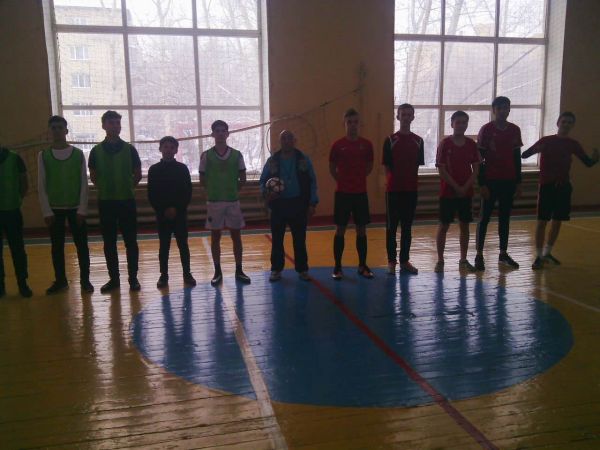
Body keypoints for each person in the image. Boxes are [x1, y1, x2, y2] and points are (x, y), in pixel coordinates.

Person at [522, 111, 599, 270]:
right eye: (564, 121)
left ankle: (547, 252)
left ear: (573, 125)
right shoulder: (546, 140)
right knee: (542, 221)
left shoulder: (573, 144)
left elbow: (588, 163)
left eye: (570, 122)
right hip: (547, 186)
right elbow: (524, 155)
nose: (566, 125)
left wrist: (595, 158)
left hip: (563, 187)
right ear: (558, 123)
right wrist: (536, 150)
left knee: (557, 221)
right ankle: (538, 256)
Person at [89, 110, 142, 293]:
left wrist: (126, 187)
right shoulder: (96, 151)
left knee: (131, 242)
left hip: (126, 201)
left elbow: (137, 174)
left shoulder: (130, 149)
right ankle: (114, 280)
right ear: (103, 126)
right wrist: (106, 188)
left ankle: (133, 279)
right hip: (106, 203)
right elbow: (93, 176)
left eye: (118, 123)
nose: (115, 126)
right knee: (109, 243)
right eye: (111, 123)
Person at [38, 115, 93, 294]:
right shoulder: (43, 155)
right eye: (53, 128)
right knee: (56, 248)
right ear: (49, 131)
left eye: (59, 128)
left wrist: (82, 209)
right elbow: (41, 184)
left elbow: (84, 183)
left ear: (66, 131)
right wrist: (46, 211)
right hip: (54, 210)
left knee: (82, 246)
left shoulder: (78, 154)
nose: (56, 131)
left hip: (76, 209)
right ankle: (61, 281)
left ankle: (85, 280)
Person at [259, 130, 319, 282]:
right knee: (277, 239)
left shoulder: (303, 159)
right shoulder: (272, 161)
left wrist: (312, 202)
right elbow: (262, 181)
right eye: (283, 138)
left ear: (294, 140)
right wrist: (267, 193)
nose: (286, 141)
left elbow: (312, 181)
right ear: (280, 141)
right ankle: (276, 269)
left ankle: (302, 269)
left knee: (299, 239)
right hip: (278, 205)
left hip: (298, 204)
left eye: (289, 138)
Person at [199, 120, 251, 286]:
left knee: (236, 236)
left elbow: (243, 178)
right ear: (212, 134)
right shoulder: (206, 155)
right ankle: (217, 271)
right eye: (217, 131)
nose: (220, 133)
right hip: (214, 202)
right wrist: (213, 190)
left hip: (232, 202)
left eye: (223, 131)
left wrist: (233, 190)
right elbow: (202, 178)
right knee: (215, 237)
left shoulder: (237, 154)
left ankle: (239, 270)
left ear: (228, 134)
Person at [475, 96, 523, 271]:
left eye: (506, 108)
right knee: (484, 218)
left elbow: (517, 158)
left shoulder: (515, 130)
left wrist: (518, 182)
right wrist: (482, 183)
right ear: (494, 110)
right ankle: (479, 254)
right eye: (500, 108)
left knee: (505, 218)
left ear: (509, 109)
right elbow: (479, 159)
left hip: (508, 181)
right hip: (490, 180)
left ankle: (503, 253)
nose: (503, 111)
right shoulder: (486, 130)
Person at [329, 108, 374, 280]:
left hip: (360, 193)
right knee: (340, 229)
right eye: (349, 122)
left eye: (356, 122)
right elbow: (332, 168)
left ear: (359, 124)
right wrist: (342, 181)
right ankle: (337, 267)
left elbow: (369, 166)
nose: (353, 125)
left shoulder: (367, 145)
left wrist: (358, 179)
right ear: (344, 124)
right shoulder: (337, 145)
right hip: (342, 194)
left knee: (361, 230)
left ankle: (362, 265)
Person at [434, 111, 481, 274]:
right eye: (458, 122)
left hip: (466, 193)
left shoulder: (471, 144)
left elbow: (476, 169)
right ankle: (440, 260)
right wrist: (456, 187)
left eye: (464, 122)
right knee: (443, 226)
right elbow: (442, 171)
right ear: (452, 124)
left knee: (465, 226)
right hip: (448, 192)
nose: (461, 125)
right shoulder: (445, 144)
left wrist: (466, 187)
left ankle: (463, 260)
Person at [382, 103, 425, 275]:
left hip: (411, 190)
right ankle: (391, 261)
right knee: (391, 227)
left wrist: (410, 184)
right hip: (393, 190)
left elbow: (416, 166)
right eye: (403, 114)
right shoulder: (390, 140)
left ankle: (405, 260)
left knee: (407, 227)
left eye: (409, 114)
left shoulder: (418, 141)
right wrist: (391, 184)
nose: (406, 117)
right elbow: (386, 167)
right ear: (398, 117)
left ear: (413, 117)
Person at [148, 136, 195, 288]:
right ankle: (163, 275)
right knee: (164, 246)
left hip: (180, 214)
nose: (168, 150)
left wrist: (177, 208)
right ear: (160, 149)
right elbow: (152, 194)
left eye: (171, 147)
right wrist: (163, 209)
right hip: (162, 215)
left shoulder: (182, 169)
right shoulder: (154, 170)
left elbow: (187, 192)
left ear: (176, 150)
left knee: (183, 245)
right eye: (165, 147)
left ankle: (187, 273)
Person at [0, 145, 32, 298]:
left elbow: (24, 183)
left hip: (12, 212)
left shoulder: (14, 158)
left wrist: (17, 199)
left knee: (18, 250)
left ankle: (22, 283)